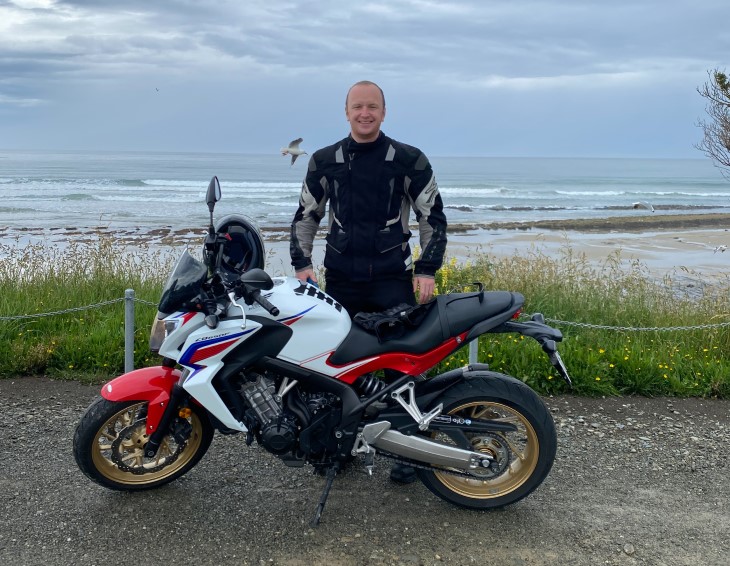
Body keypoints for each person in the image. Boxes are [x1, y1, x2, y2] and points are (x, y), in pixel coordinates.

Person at [290, 80, 448, 484]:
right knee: (337, 367)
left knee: (402, 365)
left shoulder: (409, 160)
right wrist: (302, 264)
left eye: (373, 106)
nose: (365, 113)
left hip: (393, 280)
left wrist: (427, 269)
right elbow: (307, 215)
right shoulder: (325, 160)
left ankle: (410, 451)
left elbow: (433, 217)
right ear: (346, 112)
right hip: (341, 280)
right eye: (358, 106)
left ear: (383, 111)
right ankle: (337, 445)